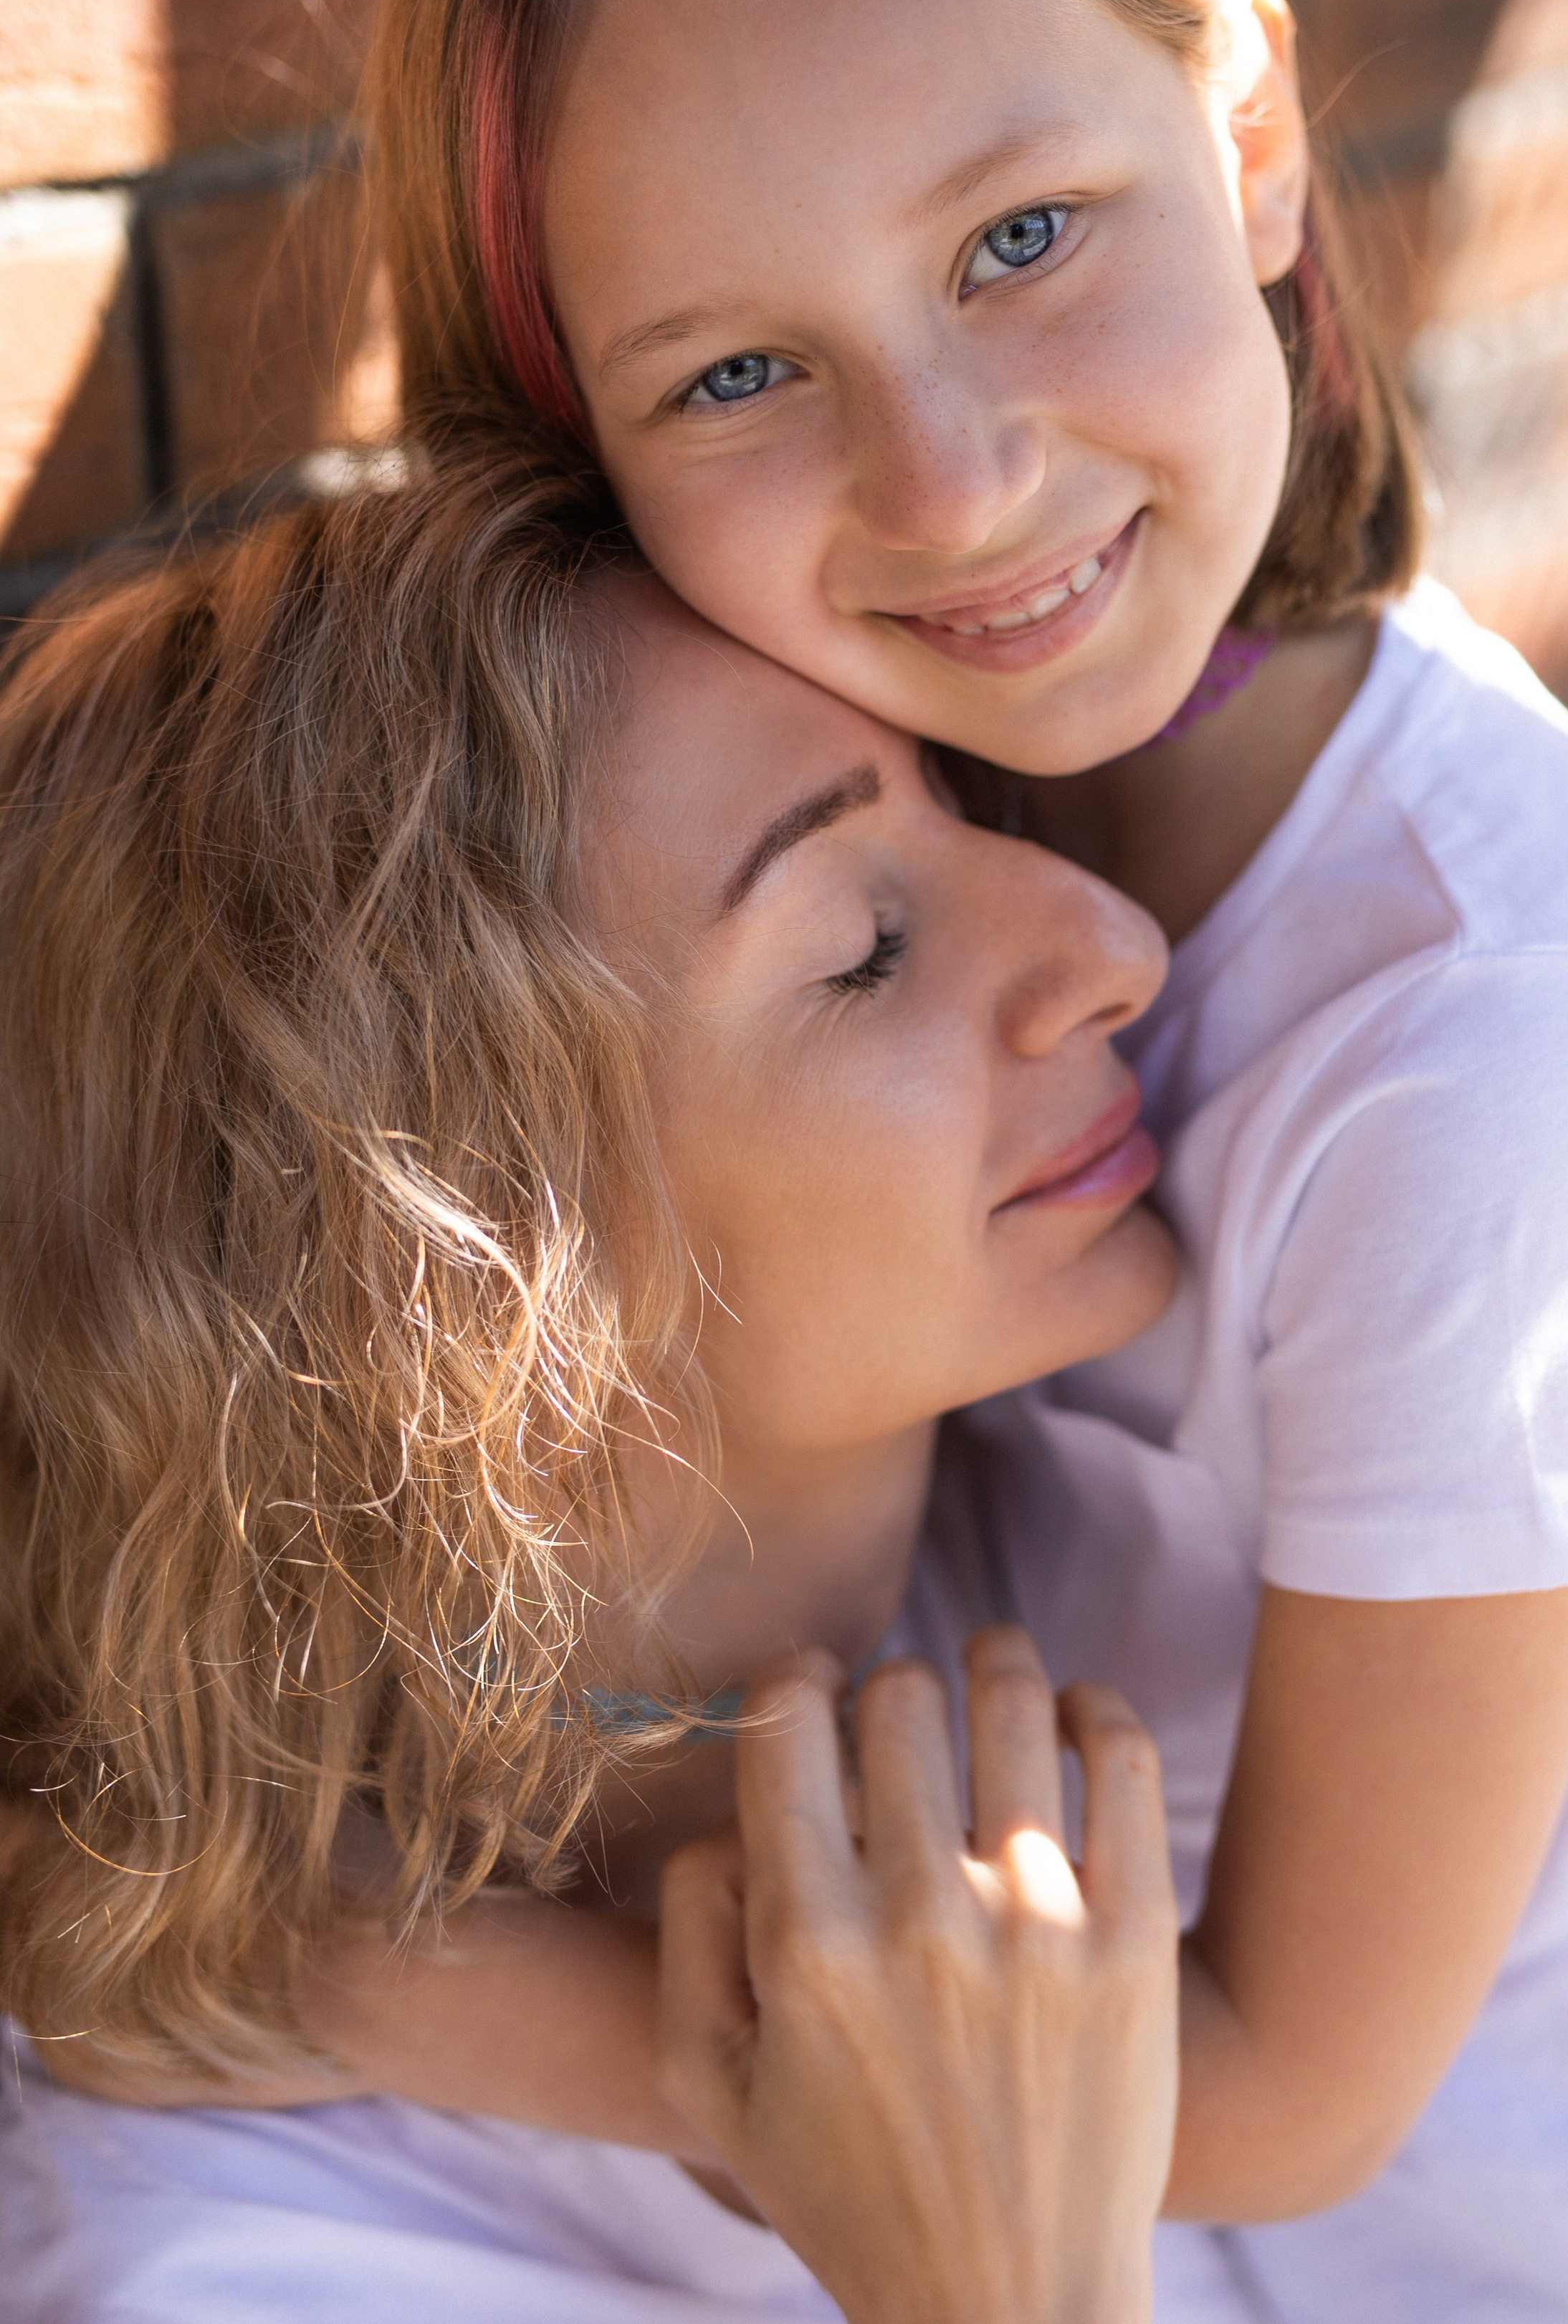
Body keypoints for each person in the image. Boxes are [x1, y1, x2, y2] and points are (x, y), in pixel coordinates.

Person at [338, 0, 1568, 2313]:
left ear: (1246, 125)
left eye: (1023, 233)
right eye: (732, 377)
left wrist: (329, 1981)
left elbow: (1270, 2079)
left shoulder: (1494, 1064)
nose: (956, 474)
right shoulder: (847, 831)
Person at [0, 457, 1251, 2323]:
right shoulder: (238, 2266)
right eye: (862, 949)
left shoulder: (1187, 1516)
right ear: (455, 1286)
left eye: (963, 800)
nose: (1115, 943)